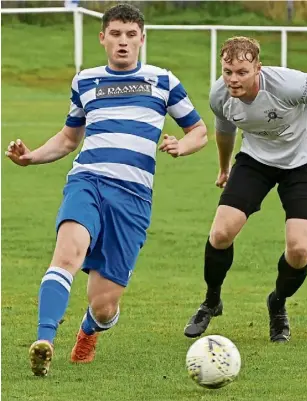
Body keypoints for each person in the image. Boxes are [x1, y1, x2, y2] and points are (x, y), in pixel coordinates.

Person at [5, 3, 207, 377]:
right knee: (66, 254)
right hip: (88, 182)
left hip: (132, 200)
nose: (123, 42)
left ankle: (88, 329)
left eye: (131, 35)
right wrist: (31, 157)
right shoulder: (86, 81)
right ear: (102, 38)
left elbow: (199, 131)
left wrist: (183, 145)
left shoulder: (163, 81)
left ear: (142, 39)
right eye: (115, 34)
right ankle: (44, 341)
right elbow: (69, 138)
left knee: (104, 306)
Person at [184, 36, 307, 342]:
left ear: (258, 69)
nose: (233, 79)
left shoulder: (288, 85)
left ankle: (277, 302)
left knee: (299, 251)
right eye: (228, 72)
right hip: (256, 161)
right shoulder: (219, 95)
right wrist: (225, 168)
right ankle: (212, 302)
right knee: (221, 233)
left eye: (242, 72)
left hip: (302, 162)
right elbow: (224, 131)